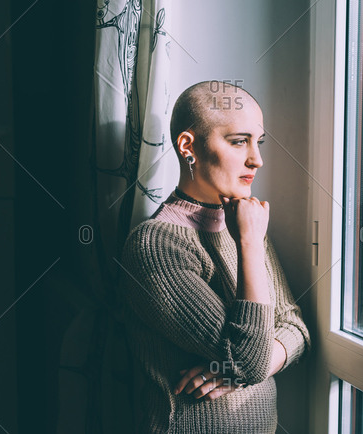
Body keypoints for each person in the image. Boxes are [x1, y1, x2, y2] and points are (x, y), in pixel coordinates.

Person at [118, 81, 311, 433]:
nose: (258, 159)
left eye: (258, 142)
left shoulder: (242, 223)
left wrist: (240, 367)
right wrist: (250, 243)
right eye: (239, 141)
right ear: (188, 146)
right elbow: (247, 361)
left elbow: (295, 328)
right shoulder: (154, 246)